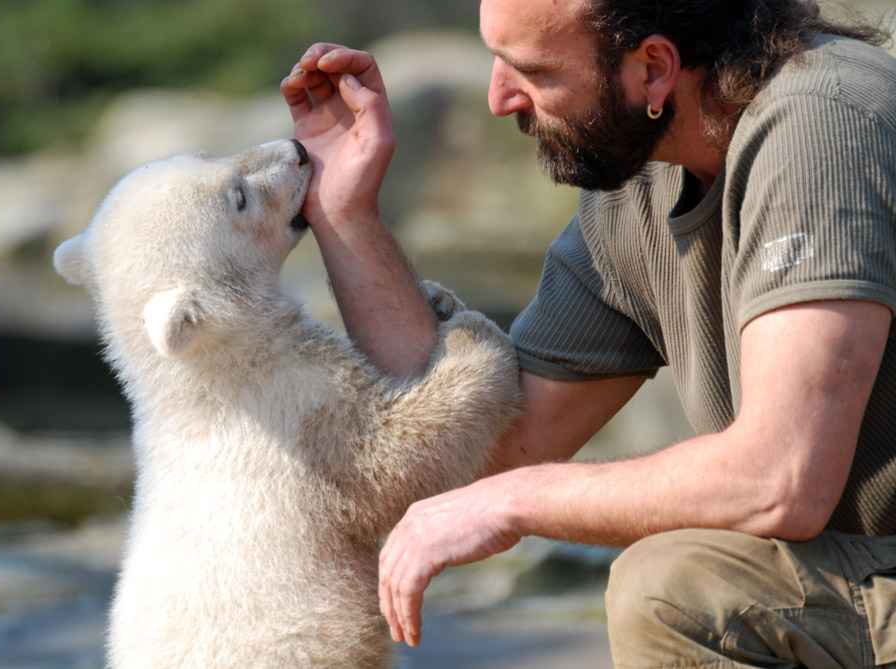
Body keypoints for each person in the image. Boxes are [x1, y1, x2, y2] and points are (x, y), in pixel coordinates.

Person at [281, 0, 896, 665]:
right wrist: (347, 212)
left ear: (653, 69)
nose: (496, 98)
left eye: (532, 70)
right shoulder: (640, 185)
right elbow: (490, 449)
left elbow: (780, 479)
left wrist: (515, 502)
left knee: (675, 589)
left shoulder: (825, 124)